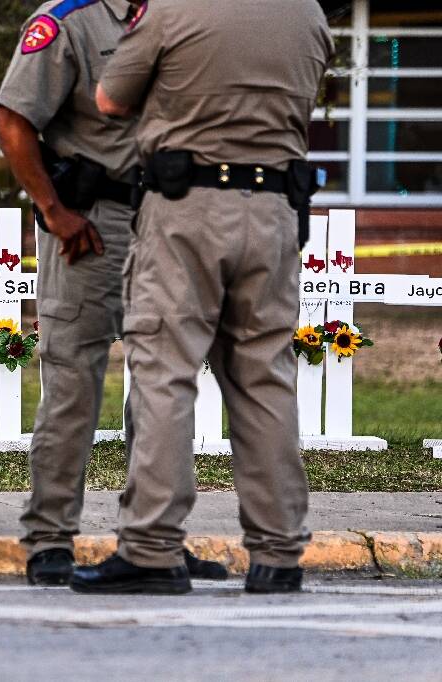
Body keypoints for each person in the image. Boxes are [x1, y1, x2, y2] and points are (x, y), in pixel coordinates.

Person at [73, 0, 334, 595]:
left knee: (165, 370)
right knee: (265, 376)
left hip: (187, 207)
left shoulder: (172, 9)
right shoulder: (307, 13)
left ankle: (151, 548)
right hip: (275, 209)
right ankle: (278, 553)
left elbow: (110, 99)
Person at [0, 0, 226, 587]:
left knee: (164, 386)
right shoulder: (69, 20)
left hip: (168, 220)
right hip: (91, 225)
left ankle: (154, 541)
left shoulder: (182, 16)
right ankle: (50, 540)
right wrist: (52, 210)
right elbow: (11, 118)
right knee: (72, 383)